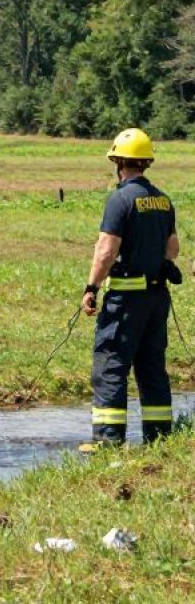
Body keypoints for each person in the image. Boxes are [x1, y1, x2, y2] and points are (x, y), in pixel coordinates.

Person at [82, 128, 181, 446]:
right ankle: (160, 439)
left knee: (111, 364)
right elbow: (173, 248)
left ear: (119, 163)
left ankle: (107, 441)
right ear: (146, 162)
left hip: (126, 299)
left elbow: (106, 252)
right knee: (152, 367)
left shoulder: (120, 199)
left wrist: (92, 288)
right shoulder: (163, 201)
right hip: (156, 298)